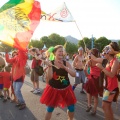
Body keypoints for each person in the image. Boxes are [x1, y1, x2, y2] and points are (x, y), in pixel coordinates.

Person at [40, 45, 76, 120]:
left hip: (66, 89)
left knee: (71, 108)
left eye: (62, 51)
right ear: (54, 53)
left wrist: (65, 67)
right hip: (54, 90)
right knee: (50, 109)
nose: (61, 53)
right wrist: (49, 67)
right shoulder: (51, 63)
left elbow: (74, 74)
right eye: (59, 51)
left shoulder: (66, 63)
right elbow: (49, 78)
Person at [90, 42, 120, 120]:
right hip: (107, 87)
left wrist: (102, 68)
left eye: (105, 51)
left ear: (109, 52)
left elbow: (112, 75)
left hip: (111, 88)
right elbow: (94, 58)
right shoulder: (107, 61)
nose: (103, 53)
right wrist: (89, 52)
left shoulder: (115, 61)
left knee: (105, 106)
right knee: (107, 106)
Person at [84, 48, 102, 115]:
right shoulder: (100, 60)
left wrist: (87, 74)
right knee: (95, 96)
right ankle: (94, 110)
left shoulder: (90, 61)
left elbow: (85, 70)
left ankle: (89, 105)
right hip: (98, 80)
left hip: (91, 79)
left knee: (88, 92)